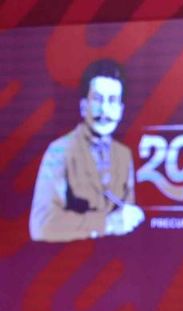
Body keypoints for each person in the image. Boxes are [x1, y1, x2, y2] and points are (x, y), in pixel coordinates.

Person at [29, 58, 144, 242]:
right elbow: (41, 226)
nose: (105, 110)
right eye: (98, 99)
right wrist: (108, 224)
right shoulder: (60, 150)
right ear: (83, 106)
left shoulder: (124, 155)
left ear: (121, 110)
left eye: (113, 101)